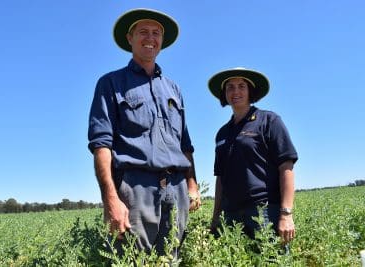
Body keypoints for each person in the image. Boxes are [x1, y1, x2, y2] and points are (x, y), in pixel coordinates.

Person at [87, 8, 201, 256]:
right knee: (134, 259)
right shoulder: (111, 83)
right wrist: (111, 199)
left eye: (156, 33)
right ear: (130, 38)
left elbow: (185, 144)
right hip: (136, 188)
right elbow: (101, 144)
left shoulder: (174, 89)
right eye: (143, 32)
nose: (151, 38)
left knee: (172, 258)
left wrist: (192, 184)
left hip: (176, 188)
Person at [207, 67, 298, 246]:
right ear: (224, 93)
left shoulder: (269, 121)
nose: (236, 91)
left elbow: (286, 167)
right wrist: (216, 216)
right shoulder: (222, 133)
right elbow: (220, 178)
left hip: (263, 211)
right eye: (230, 87)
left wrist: (286, 214)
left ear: (250, 91)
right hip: (231, 214)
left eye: (242, 86)